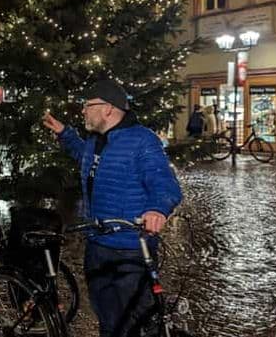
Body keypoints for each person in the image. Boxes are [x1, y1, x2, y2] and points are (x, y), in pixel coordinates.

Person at [42, 79, 182, 337]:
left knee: (137, 324)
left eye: (88, 105)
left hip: (130, 251)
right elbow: (85, 155)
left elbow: (165, 184)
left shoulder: (142, 141)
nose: (83, 110)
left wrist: (157, 210)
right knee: (108, 322)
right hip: (97, 246)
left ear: (108, 108)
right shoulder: (97, 141)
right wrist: (65, 134)